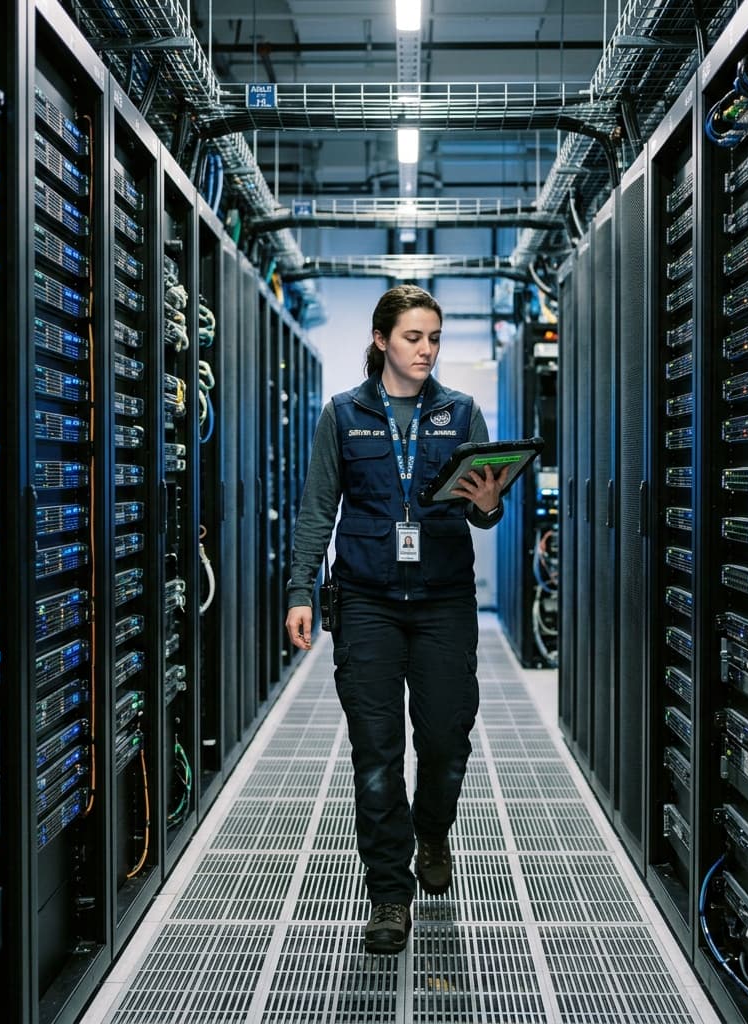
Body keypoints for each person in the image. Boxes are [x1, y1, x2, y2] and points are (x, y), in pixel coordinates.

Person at [285, 284, 508, 955]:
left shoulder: (460, 412)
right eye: (413, 337)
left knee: (445, 741)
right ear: (382, 340)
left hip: (443, 600)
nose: (426, 349)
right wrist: (300, 589)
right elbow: (318, 507)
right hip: (367, 601)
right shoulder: (343, 414)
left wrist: (489, 504)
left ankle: (432, 831)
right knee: (376, 754)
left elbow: (483, 513)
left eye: (434, 338)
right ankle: (388, 891)